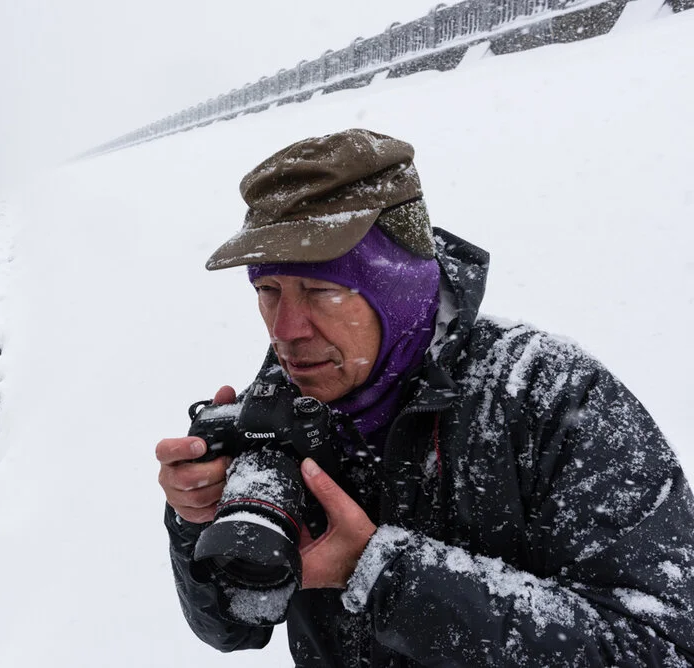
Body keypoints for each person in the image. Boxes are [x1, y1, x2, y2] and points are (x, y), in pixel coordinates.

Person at [155, 129, 694, 666]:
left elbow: (662, 648)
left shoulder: (548, 397)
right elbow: (234, 629)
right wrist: (200, 520)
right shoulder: (279, 411)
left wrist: (382, 574)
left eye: (321, 290)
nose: (286, 329)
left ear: (397, 285)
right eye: (267, 290)